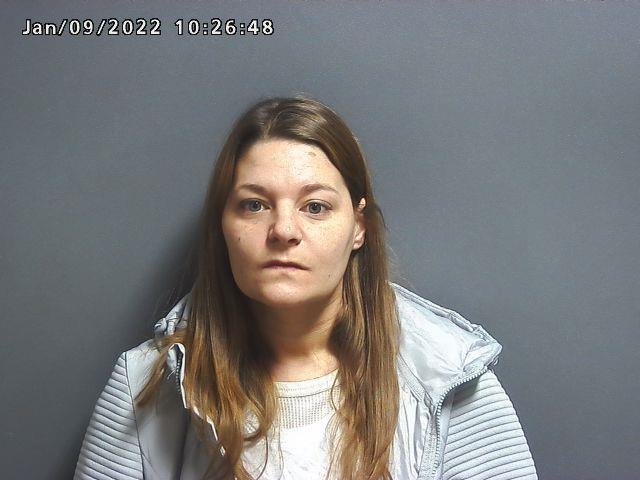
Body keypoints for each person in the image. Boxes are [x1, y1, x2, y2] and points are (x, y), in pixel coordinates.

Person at [73, 95, 538, 480]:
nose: (283, 230)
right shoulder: (144, 386)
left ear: (359, 227)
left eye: (315, 207)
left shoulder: (450, 383)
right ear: (222, 226)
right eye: (254, 205)